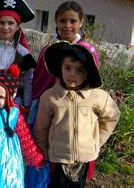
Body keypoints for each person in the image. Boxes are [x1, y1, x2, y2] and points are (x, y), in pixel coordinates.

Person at [25, 1, 101, 188]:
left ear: (81, 22)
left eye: (72, 21)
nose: (67, 25)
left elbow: (91, 86)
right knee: (43, 148)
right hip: (48, 106)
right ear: (56, 22)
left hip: (74, 111)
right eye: (63, 21)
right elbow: (39, 81)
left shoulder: (87, 52)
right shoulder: (48, 49)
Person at [34, 40, 120, 187]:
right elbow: (41, 128)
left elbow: (112, 115)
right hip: (58, 158)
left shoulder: (98, 96)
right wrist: (45, 151)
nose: (72, 74)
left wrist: (96, 141)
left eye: (79, 70)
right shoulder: (50, 97)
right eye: (68, 68)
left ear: (87, 74)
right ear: (60, 68)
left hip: (84, 160)